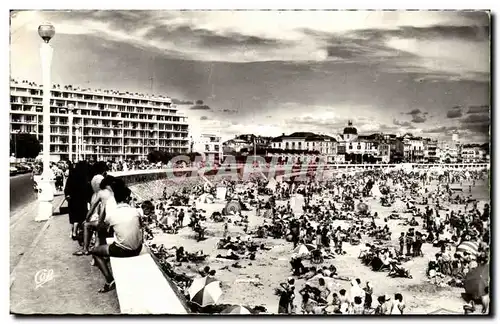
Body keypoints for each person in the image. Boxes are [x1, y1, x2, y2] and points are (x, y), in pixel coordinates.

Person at [90, 177, 143, 293]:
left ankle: (110, 281)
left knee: (95, 251)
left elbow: (102, 228)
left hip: (124, 250)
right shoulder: (136, 212)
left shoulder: (112, 215)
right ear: (127, 198)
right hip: (138, 249)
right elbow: (140, 227)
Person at [64, 161, 92, 240]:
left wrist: (67, 196)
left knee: (73, 217)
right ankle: (75, 233)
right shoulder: (84, 177)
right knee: (79, 217)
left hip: (72, 199)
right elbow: (86, 189)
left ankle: (73, 231)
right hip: (81, 199)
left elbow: (67, 189)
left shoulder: (72, 176)